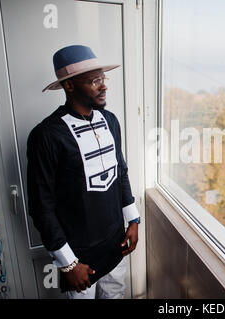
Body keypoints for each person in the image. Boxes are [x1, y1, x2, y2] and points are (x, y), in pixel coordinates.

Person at [27, 45, 140, 299]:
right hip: (78, 257)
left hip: (115, 244)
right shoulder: (46, 135)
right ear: (69, 86)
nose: (103, 86)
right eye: (94, 80)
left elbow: (120, 171)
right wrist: (68, 263)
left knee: (116, 296)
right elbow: (41, 206)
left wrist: (133, 220)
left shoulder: (110, 120)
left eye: (103, 78)